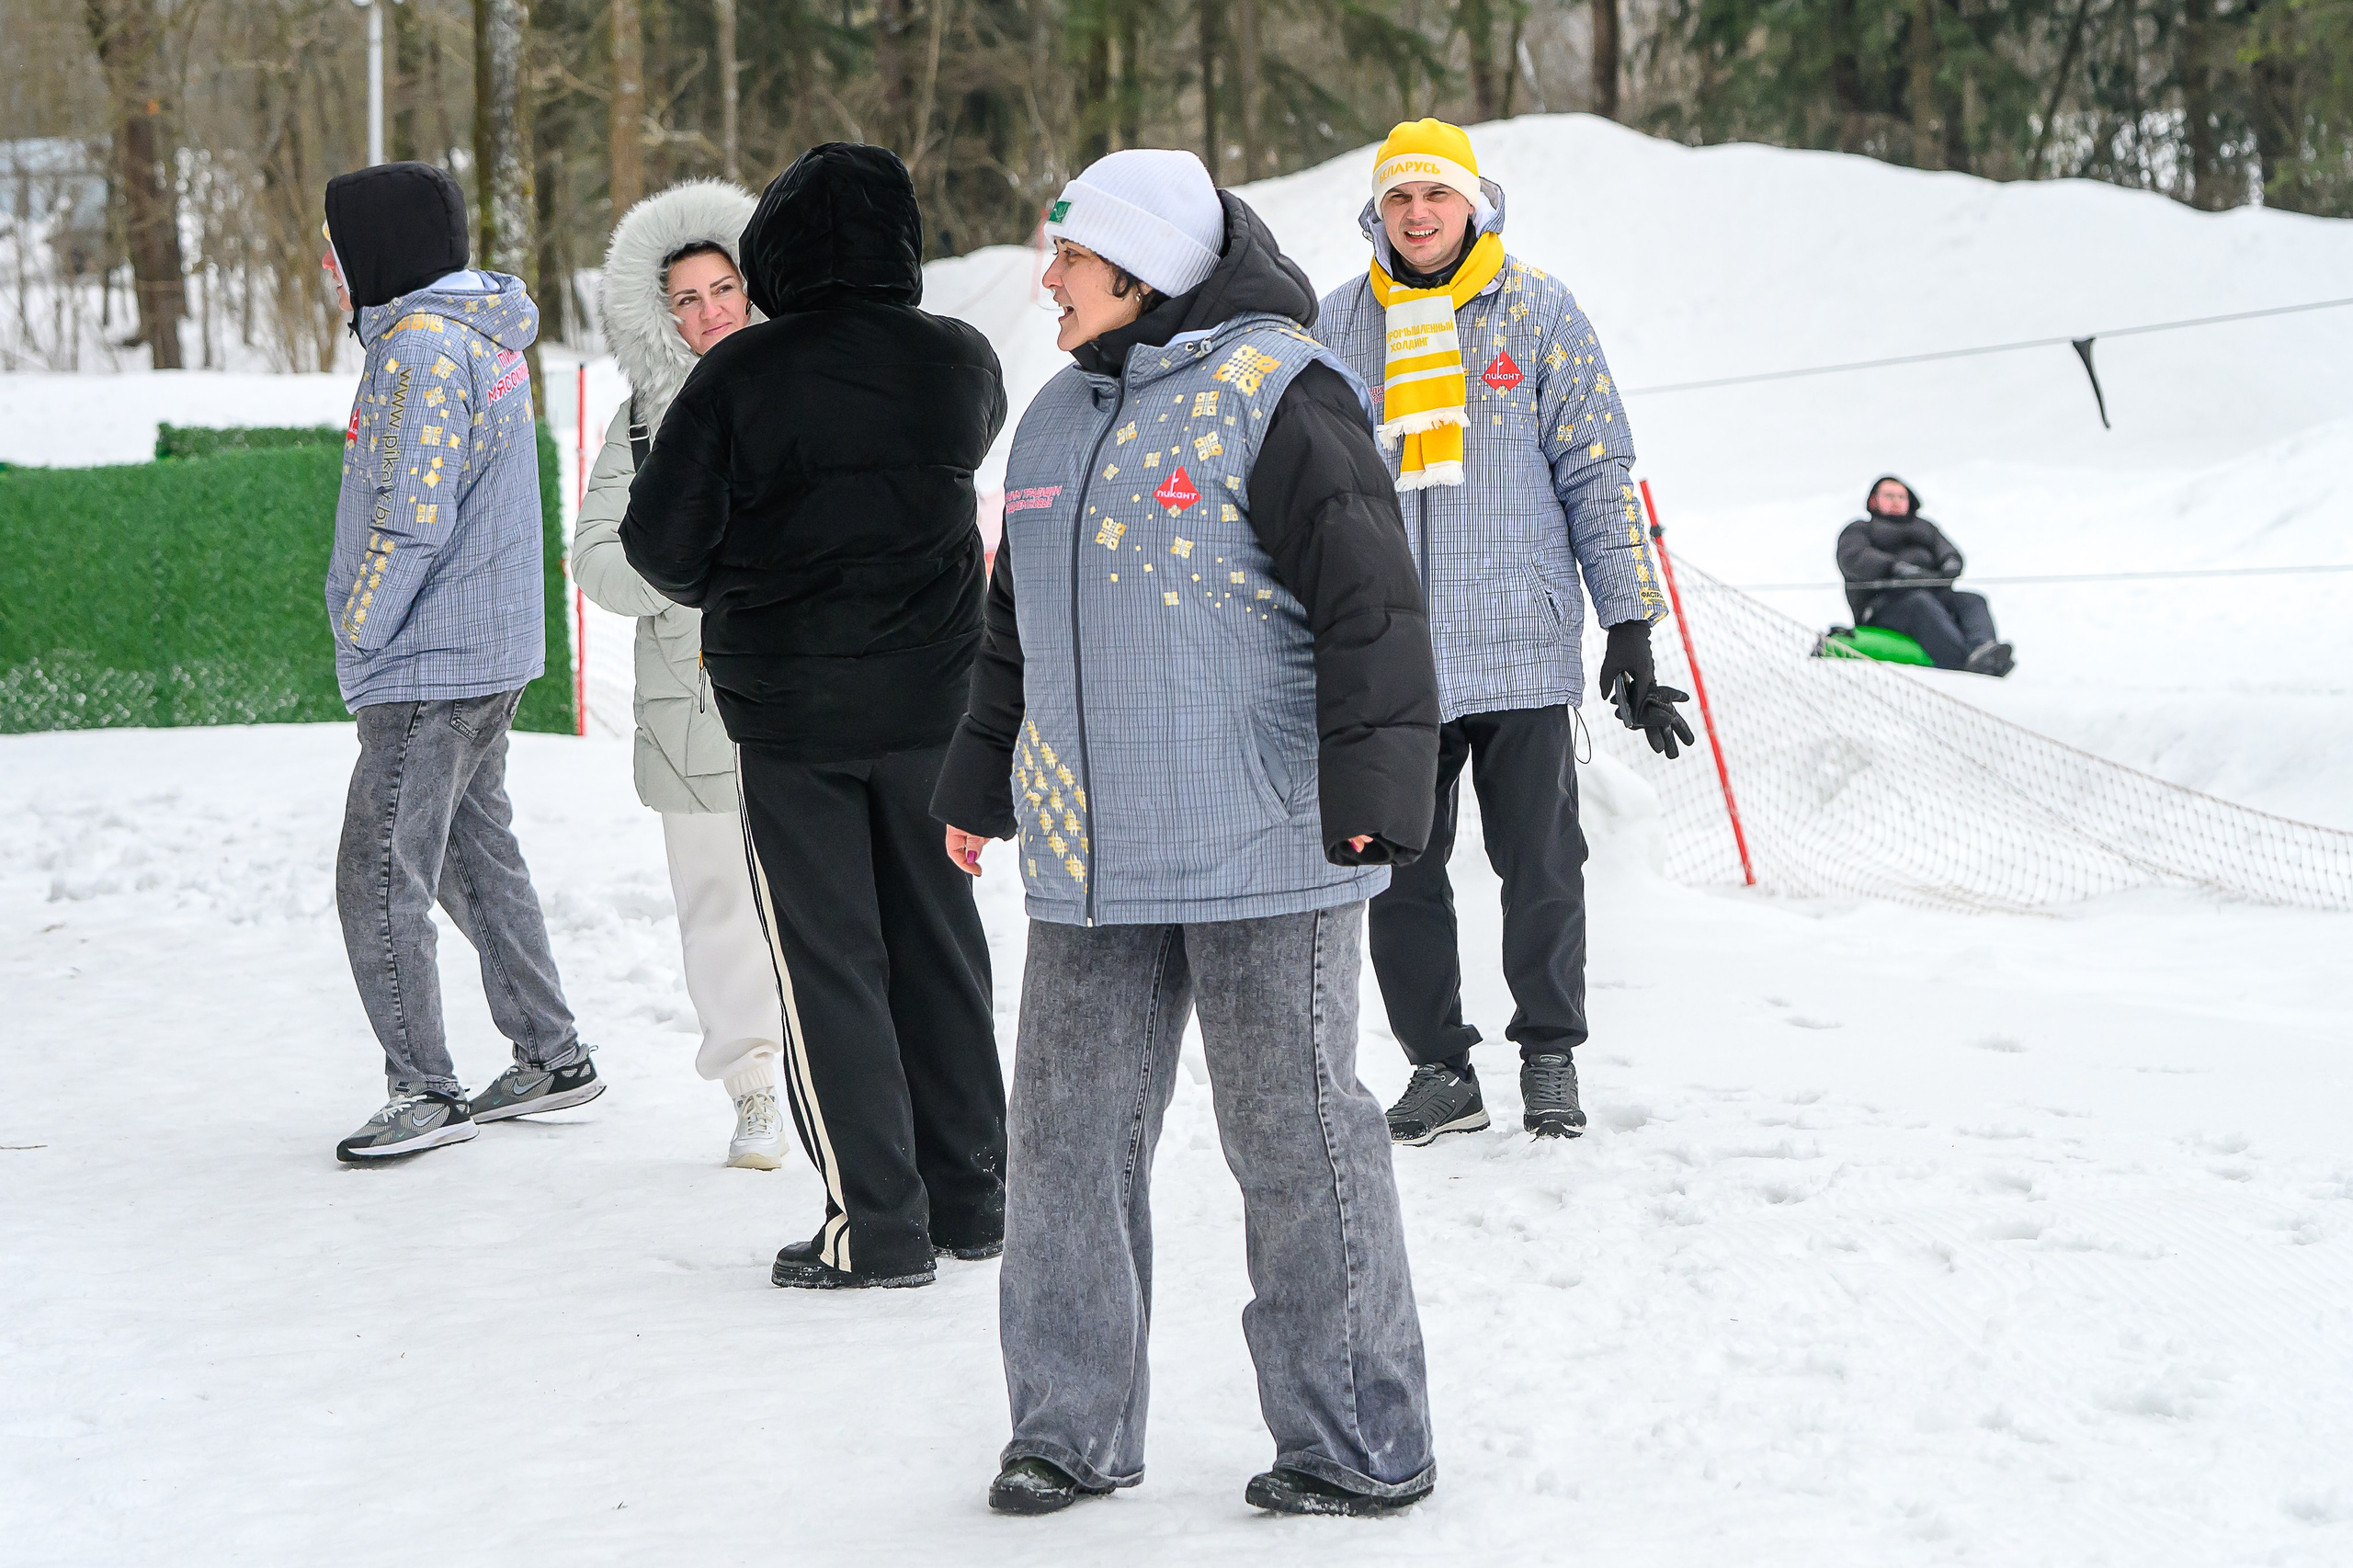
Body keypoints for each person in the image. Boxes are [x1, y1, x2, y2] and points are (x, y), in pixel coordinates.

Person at [933, 148, 1442, 1519]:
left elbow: (1371, 604)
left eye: (1068, 258)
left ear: (1141, 267)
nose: (1046, 280)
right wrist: (981, 787)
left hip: (1261, 842)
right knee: (1062, 1143)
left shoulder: (1278, 393)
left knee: (1295, 1140)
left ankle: (1356, 1436)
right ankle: (1067, 1425)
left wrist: (1378, 803)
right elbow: (1013, 626)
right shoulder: (1049, 421)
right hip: (1088, 850)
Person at [621, 144, 1008, 1290]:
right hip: (937, 700)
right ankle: (974, 1199)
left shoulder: (739, 376)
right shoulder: (958, 360)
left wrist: (746, 564)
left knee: (829, 961)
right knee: (941, 945)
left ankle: (875, 1225)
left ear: (775, 249)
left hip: (792, 716)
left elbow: (660, 546)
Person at [1314, 119, 1687, 1148]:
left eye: (1437, 196)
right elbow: (1302, 489)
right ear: (1376, 212)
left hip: (1517, 641)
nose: (1419, 215)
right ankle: (1439, 1069)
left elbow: (1597, 472)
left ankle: (1549, 1054)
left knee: (1542, 865)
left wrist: (1629, 625)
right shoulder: (1339, 323)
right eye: (1399, 199)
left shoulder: (1538, 311)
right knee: (1395, 871)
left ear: (1476, 204)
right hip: (1387, 657)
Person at [321, 161, 598, 1164]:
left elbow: (409, 516)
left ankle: (423, 1086)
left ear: (379, 246)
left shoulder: (421, 350)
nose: (329, 259)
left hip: (430, 662)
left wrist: (359, 625)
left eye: (339, 241)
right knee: (470, 853)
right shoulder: (469, 333)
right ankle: (552, 1049)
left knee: (375, 869)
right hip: (480, 650)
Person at [572, 179, 788, 1170]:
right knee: (717, 909)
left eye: (724, 287)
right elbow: (596, 559)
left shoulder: (806, 391)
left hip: (798, 698)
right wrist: (688, 574)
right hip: (688, 707)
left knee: (818, 899)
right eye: (686, 299)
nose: (709, 312)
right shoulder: (642, 427)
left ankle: (844, 1076)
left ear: (753, 286)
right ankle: (753, 1087)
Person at [1837, 475, 2015, 676]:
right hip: (1884, 604)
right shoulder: (1860, 529)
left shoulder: (1926, 529)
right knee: (1919, 603)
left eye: (1901, 497)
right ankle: (1963, 662)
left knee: (1972, 600)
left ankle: (1984, 649)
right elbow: (1855, 558)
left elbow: (1948, 551)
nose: (1896, 501)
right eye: (1889, 496)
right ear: (1873, 501)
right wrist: (1894, 567)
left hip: (1932, 596)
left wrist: (1951, 562)